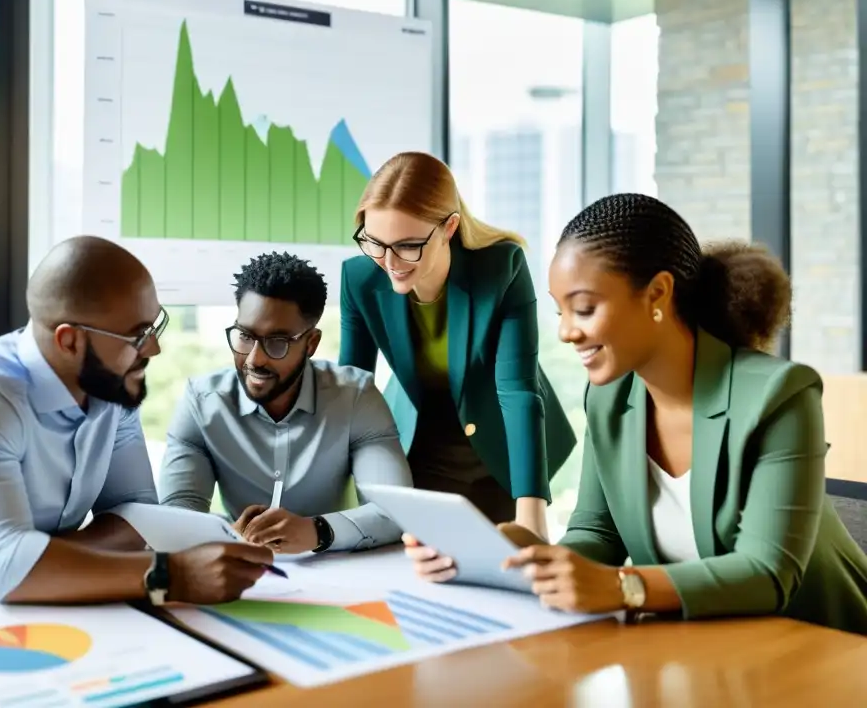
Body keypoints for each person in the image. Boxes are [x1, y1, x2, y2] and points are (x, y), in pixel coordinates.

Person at [406, 193, 867, 636]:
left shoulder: (779, 395)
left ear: (658, 294)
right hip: (711, 649)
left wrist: (623, 588)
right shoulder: (610, 399)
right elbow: (596, 535)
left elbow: (767, 572)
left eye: (584, 308)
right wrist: (512, 552)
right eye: (560, 311)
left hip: (826, 648)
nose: (566, 332)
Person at [0, 236, 274, 605]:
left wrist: (44, 562)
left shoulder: (110, 390)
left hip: (31, 607)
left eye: (155, 325)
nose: (154, 348)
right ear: (69, 340)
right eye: (137, 335)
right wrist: (173, 574)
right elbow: (7, 568)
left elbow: (135, 514)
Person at [339, 151, 576, 536]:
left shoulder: (502, 268)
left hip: (501, 453)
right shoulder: (360, 278)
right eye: (375, 242)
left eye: (408, 245)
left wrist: (531, 517)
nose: (389, 260)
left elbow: (517, 392)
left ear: (449, 227)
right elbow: (348, 392)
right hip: (418, 450)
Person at [159, 252, 412, 555]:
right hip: (242, 576)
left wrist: (317, 531)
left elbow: (395, 512)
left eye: (277, 342)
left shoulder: (356, 397)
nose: (255, 359)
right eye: (245, 336)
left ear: (311, 344)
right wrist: (226, 535)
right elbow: (174, 515)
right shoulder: (201, 403)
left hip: (338, 573)